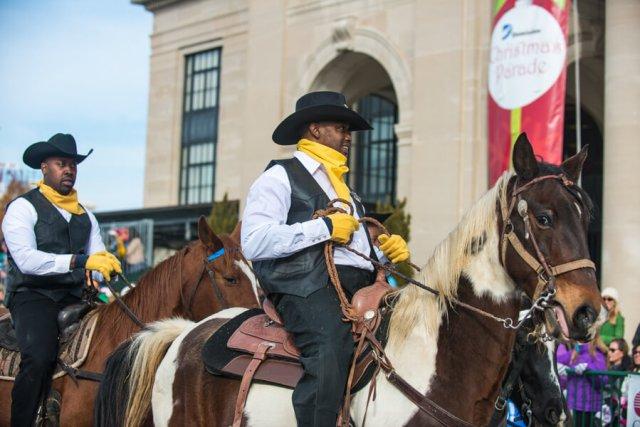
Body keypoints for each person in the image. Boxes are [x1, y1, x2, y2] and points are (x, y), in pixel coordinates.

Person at [241, 91, 410, 426]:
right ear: (315, 129)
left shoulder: (348, 191)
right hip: (303, 284)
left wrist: (384, 252)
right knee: (328, 348)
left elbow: (354, 250)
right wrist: (324, 227)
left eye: (348, 129)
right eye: (340, 127)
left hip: (357, 284)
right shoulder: (278, 177)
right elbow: (254, 241)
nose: (348, 136)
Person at [1, 133, 122, 427]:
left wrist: (107, 265)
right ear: (44, 167)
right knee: (39, 357)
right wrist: (80, 261)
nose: (69, 169)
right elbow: (27, 260)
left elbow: (98, 255)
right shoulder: (22, 207)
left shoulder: (86, 217)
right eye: (61, 163)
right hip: (32, 295)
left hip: (74, 296)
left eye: (73, 165)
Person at [557, 338, 608, 426]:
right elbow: (556, 359)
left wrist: (588, 369)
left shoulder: (597, 353)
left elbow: (603, 379)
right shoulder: (574, 352)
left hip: (589, 406)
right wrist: (557, 366)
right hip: (574, 404)